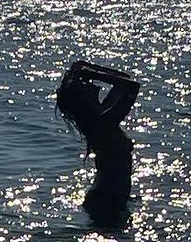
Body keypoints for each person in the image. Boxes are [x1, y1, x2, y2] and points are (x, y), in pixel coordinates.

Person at [56, 59, 140, 228]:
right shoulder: (102, 123)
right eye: (84, 85)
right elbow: (132, 88)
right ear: (82, 100)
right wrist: (93, 73)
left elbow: (126, 79)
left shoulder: (102, 117)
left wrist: (88, 68)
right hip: (107, 199)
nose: (91, 84)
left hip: (109, 197)